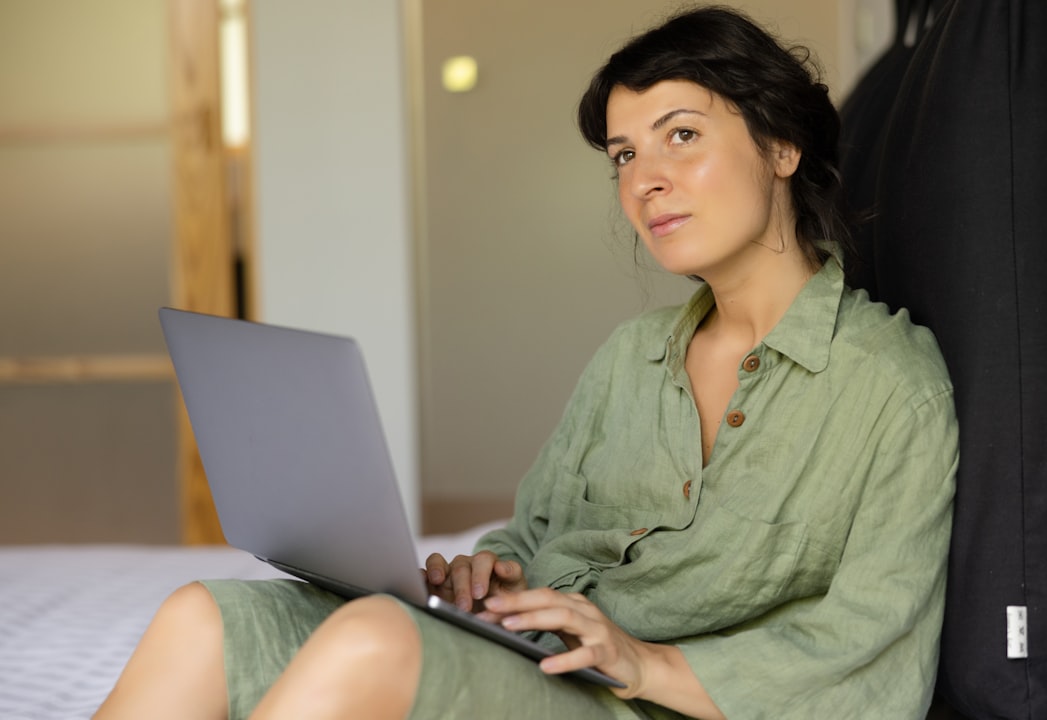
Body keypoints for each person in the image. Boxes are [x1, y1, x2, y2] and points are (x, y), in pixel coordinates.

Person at [95, 5, 957, 719]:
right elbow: (536, 530)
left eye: (680, 135)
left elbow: (868, 660)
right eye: (624, 156)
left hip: (646, 704)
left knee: (373, 642)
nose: (644, 181)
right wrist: (490, 569)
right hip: (540, 657)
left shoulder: (891, 388)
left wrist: (642, 661)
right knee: (204, 616)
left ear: (780, 148)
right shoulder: (630, 361)